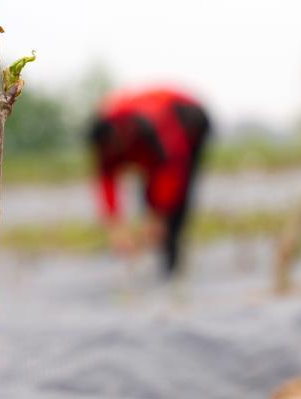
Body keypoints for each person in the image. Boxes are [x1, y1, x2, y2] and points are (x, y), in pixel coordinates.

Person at [88, 87, 210, 276]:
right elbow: (106, 180)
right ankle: (158, 246)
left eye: (114, 147)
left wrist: (159, 214)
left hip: (189, 117)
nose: (112, 153)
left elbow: (173, 165)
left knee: (177, 195)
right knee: (150, 195)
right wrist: (115, 228)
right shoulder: (105, 140)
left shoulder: (149, 126)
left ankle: (172, 258)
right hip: (152, 142)